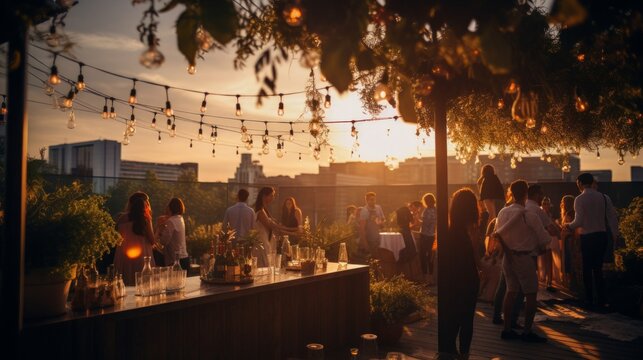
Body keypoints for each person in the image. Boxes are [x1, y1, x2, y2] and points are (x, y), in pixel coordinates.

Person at [494, 180, 551, 343]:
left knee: (511, 291)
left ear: (511, 193)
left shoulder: (503, 212)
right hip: (524, 257)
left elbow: (498, 234)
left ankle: (506, 329)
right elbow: (544, 238)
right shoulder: (529, 215)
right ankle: (527, 332)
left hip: (507, 256)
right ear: (526, 194)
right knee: (531, 294)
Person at [563, 173, 619, 309]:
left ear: (581, 183)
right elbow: (612, 218)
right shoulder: (604, 198)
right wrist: (615, 236)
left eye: (577, 182)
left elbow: (579, 221)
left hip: (587, 237)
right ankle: (601, 299)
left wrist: (568, 226)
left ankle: (588, 299)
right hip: (602, 236)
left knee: (587, 269)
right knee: (598, 269)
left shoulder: (579, 199)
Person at [440, 188, 480, 358]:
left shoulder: (447, 233)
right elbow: (472, 262)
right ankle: (464, 355)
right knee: (466, 321)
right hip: (468, 282)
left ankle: (450, 350)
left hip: (451, 283)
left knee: (453, 318)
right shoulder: (465, 234)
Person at [113, 192, 157, 286]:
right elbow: (153, 241)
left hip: (124, 257)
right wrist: (160, 229)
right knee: (143, 286)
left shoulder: (121, 218)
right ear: (145, 204)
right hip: (142, 257)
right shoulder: (145, 219)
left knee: (125, 285)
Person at [526, 184, 561, 292]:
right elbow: (551, 228)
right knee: (530, 283)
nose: (542, 197)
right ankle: (530, 306)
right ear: (536, 195)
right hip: (531, 249)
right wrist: (560, 233)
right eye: (541, 194)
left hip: (517, 248)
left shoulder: (523, 205)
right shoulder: (537, 209)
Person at [254, 187, 299, 267]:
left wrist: (292, 231)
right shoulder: (260, 212)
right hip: (262, 245)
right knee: (264, 268)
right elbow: (272, 226)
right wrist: (292, 232)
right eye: (271, 196)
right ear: (264, 196)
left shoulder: (264, 210)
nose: (273, 198)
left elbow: (275, 226)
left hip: (267, 243)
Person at [157, 198, 189, 270]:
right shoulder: (180, 218)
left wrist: (160, 229)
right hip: (184, 258)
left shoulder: (171, 221)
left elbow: (163, 241)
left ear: (171, 207)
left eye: (168, 206)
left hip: (175, 261)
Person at [418, 193, 436, 279]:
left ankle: (425, 277)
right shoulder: (436, 210)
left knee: (423, 255)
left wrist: (418, 219)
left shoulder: (426, 210)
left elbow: (425, 223)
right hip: (433, 235)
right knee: (431, 256)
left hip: (425, 235)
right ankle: (431, 277)